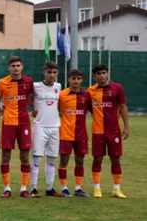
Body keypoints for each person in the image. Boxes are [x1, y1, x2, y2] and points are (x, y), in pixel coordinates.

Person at [87, 64, 129, 198]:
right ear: (95, 76)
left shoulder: (117, 88)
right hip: (98, 131)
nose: (101, 76)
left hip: (114, 130)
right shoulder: (90, 91)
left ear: (107, 74)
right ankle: (97, 188)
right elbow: (89, 108)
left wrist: (126, 127)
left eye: (104, 73)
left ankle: (116, 189)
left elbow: (122, 107)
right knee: (97, 158)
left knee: (115, 159)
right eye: (98, 74)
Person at [0, 56, 35, 198]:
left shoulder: (29, 82)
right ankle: (7, 188)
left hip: (24, 123)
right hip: (8, 124)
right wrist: (4, 111)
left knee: (24, 155)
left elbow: (32, 99)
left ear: (22, 67)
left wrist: (35, 110)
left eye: (18, 65)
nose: (15, 68)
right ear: (9, 68)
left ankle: (24, 189)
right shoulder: (2, 82)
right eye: (13, 66)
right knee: (6, 155)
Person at [30, 62, 62, 197]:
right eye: (49, 72)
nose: (52, 75)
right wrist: (33, 109)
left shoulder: (58, 86)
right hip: (40, 127)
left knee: (51, 160)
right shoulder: (36, 86)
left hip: (55, 127)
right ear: (44, 72)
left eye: (54, 72)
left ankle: (50, 189)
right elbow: (28, 97)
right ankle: (33, 189)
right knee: (37, 159)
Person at [57, 69, 91, 197]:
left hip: (81, 134)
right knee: (64, 160)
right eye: (73, 78)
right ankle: (64, 187)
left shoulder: (86, 95)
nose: (76, 81)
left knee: (80, 160)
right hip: (66, 133)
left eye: (78, 79)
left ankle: (78, 188)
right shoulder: (62, 94)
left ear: (81, 80)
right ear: (69, 79)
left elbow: (93, 110)